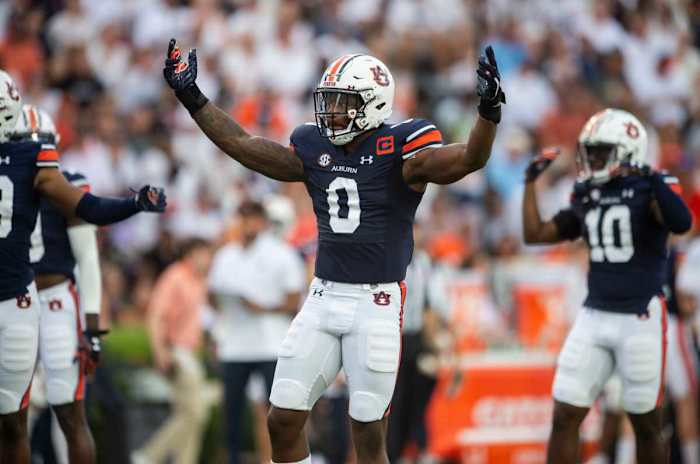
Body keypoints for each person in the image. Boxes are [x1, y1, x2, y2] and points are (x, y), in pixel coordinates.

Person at [163, 39, 505, 464]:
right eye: (330, 101)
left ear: (374, 104)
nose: (332, 112)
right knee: (282, 419)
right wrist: (191, 97)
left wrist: (488, 114)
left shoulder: (401, 149)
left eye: (344, 103)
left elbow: (470, 158)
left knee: (366, 435)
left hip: (376, 302)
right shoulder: (314, 147)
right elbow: (243, 145)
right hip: (323, 296)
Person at [0, 69, 166, 464]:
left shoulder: (46, 171)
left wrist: (92, 323)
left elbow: (88, 250)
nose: (35, 146)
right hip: (22, 297)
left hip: (45, 298)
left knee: (62, 411)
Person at [522, 109, 692, 464]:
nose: (592, 159)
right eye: (590, 151)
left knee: (646, 423)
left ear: (628, 151)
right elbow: (535, 234)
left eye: (600, 151)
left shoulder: (651, 186)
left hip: (640, 315)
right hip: (594, 313)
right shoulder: (587, 192)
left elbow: (681, 221)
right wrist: (529, 185)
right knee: (565, 413)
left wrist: (652, 177)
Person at [11, 104, 103, 464]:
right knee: (11, 414)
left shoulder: (70, 184)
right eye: (25, 141)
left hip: (54, 301)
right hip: (13, 301)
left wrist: (92, 324)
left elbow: (88, 258)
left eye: (40, 142)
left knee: (68, 412)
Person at [208, 200, 305, 464]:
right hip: (234, 344)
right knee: (232, 414)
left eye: (251, 218)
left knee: (278, 411)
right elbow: (212, 297)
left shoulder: (281, 253)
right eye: (242, 218)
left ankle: (279, 460)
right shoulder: (225, 255)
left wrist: (260, 308)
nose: (246, 224)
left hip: (270, 344)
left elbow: (293, 302)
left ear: (262, 222)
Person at [132, 239, 216, 464]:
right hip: (177, 351)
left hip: (191, 352)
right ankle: (149, 455)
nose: (208, 260)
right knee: (195, 413)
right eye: (205, 254)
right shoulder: (175, 276)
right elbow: (156, 315)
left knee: (189, 415)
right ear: (192, 254)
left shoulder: (200, 281)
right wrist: (160, 351)